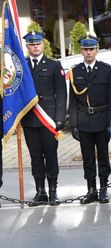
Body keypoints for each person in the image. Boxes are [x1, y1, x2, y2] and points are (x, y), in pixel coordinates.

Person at [68, 34, 111, 204]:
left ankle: (103, 189)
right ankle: (91, 190)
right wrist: (74, 124)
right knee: (88, 158)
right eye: (85, 49)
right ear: (81, 50)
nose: (88, 53)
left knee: (103, 157)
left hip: (102, 120)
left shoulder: (106, 70)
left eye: (91, 49)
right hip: (84, 121)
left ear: (97, 50)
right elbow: (72, 101)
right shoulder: (75, 72)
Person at [23, 32, 67, 207]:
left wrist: (60, 119)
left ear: (43, 45)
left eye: (38, 43)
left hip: (48, 119)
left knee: (51, 156)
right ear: (27, 46)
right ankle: (40, 191)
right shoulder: (23, 67)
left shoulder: (53, 66)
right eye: (31, 44)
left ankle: (53, 192)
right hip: (29, 120)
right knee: (35, 158)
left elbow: (61, 94)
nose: (35, 46)